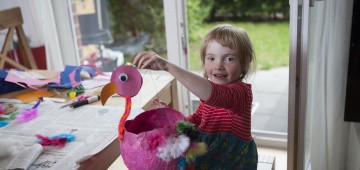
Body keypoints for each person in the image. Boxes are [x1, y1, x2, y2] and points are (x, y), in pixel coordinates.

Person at [133, 24, 258, 169]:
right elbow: (197, 120)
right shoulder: (209, 94)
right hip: (207, 158)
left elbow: (215, 95)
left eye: (229, 59)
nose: (218, 65)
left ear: (244, 64)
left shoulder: (240, 93)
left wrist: (168, 66)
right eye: (211, 58)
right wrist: (174, 119)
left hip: (233, 164)